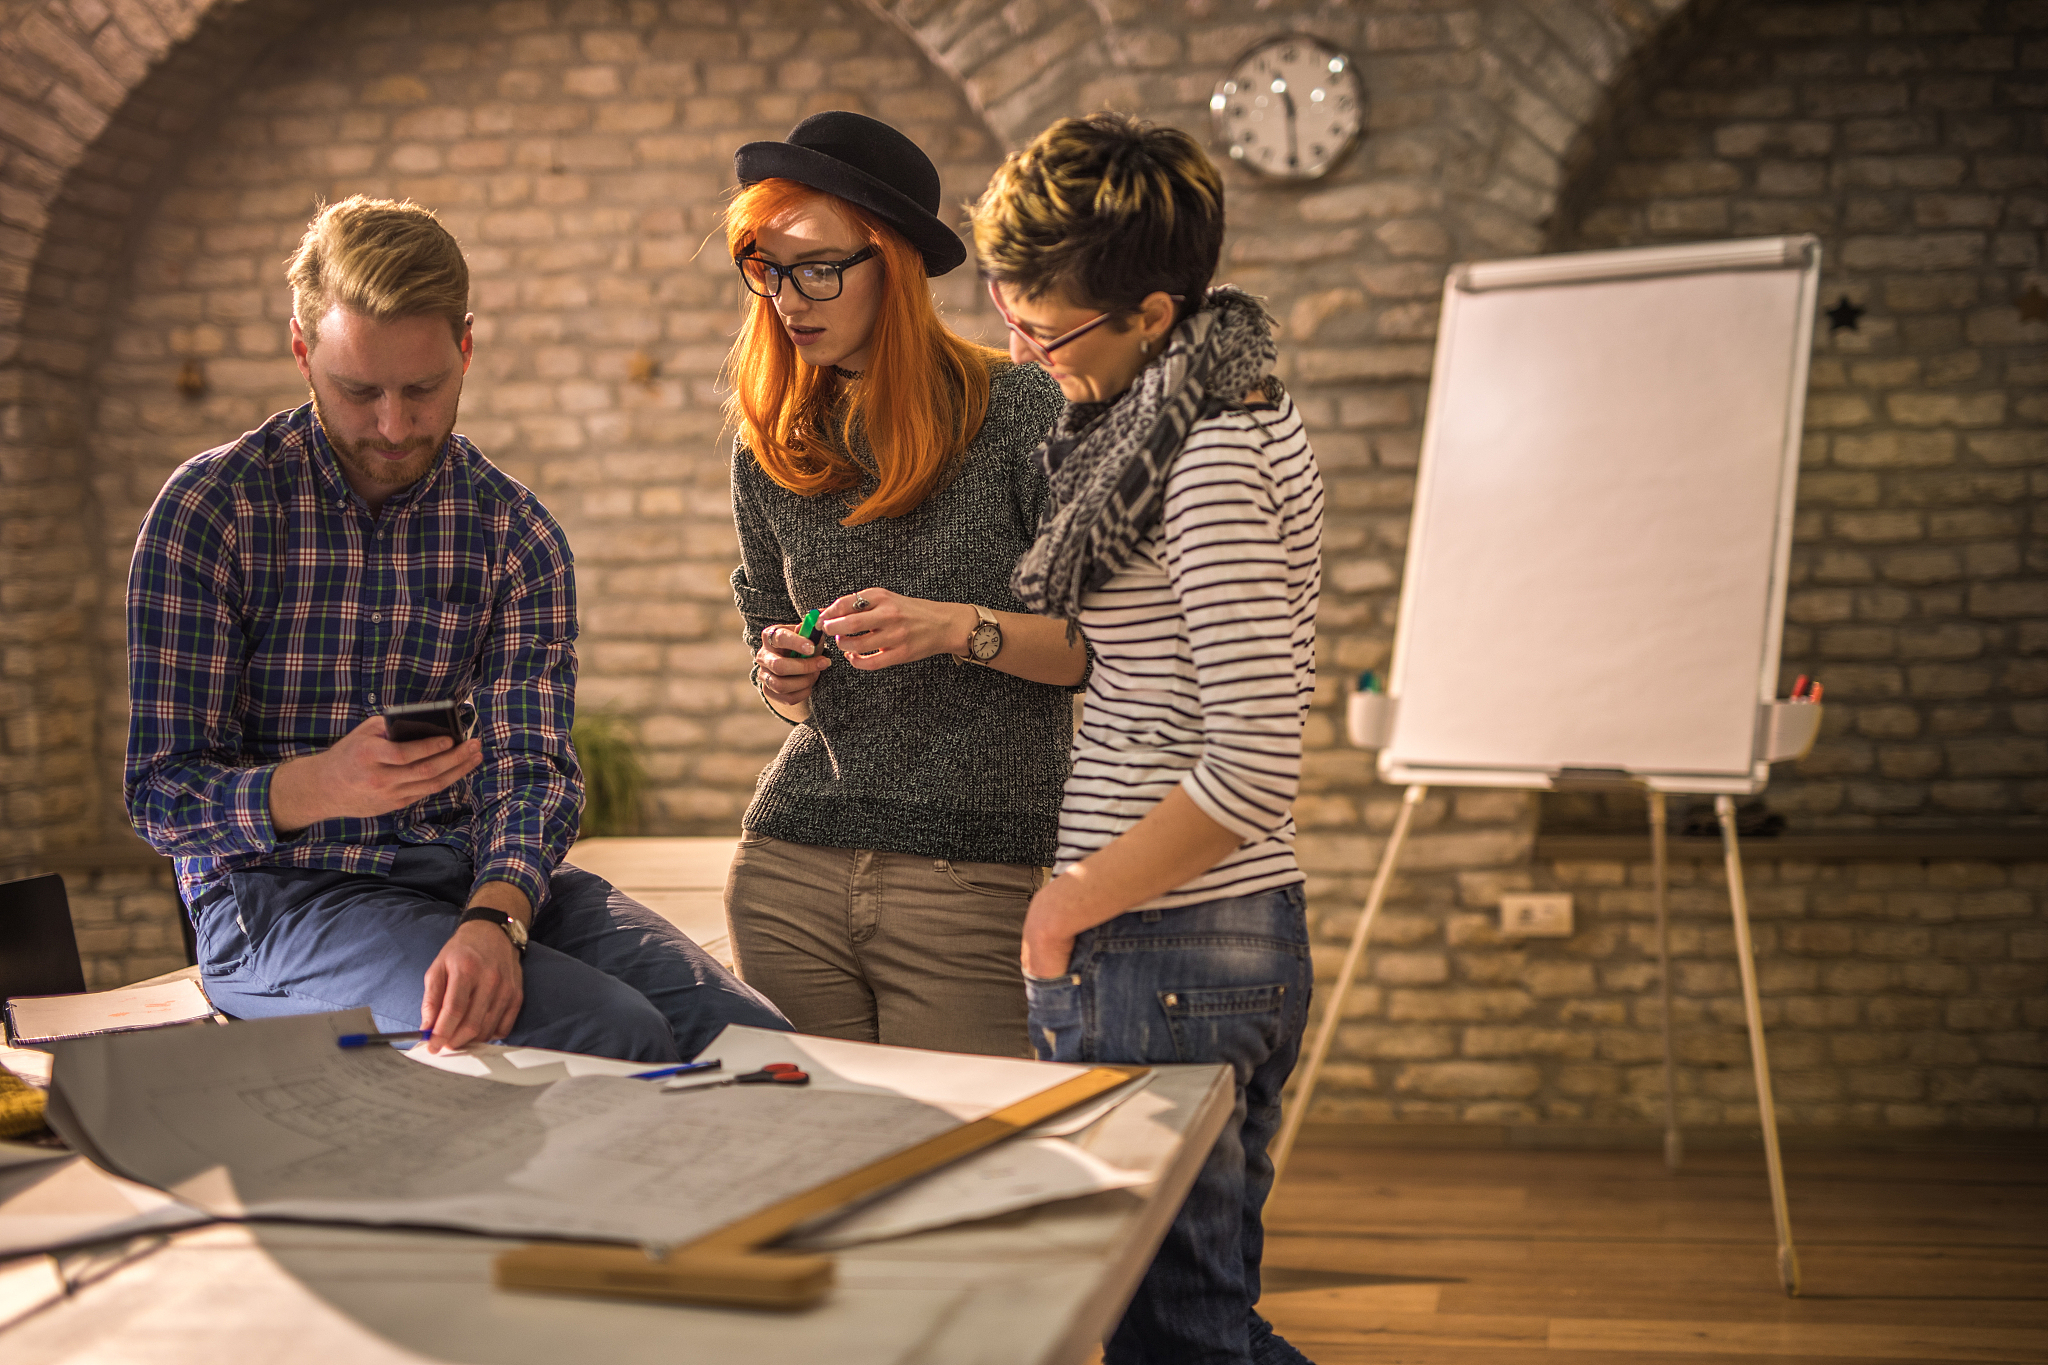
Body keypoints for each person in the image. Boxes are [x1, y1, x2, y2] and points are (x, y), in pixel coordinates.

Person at [124, 195, 787, 1065]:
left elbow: (533, 770)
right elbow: (160, 796)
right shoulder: (213, 512)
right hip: (278, 901)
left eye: (423, 388)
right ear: (300, 349)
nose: (394, 426)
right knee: (611, 1034)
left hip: (472, 874)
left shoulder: (514, 531)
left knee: (760, 1042)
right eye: (358, 390)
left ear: (466, 347)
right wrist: (320, 784)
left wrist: (497, 912)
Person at [970, 114, 1325, 1365]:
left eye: (1045, 330)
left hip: (1165, 944)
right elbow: (1142, 668)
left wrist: (1072, 903)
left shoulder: (1209, 461)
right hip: (1199, 937)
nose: (1021, 353)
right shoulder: (1182, 423)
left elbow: (1251, 764)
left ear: (1154, 314)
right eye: (1007, 314)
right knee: (1190, 1314)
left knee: (1171, 1331)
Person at [721, 111, 1084, 1056]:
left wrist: (960, 625)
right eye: (767, 268)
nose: (788, 299)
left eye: (817, 268)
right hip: (789, 866)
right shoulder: (770, 445)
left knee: (960, 1169)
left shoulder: (1018, 411)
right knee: (817, 1162)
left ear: (895, 262)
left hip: (972, 875)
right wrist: (782, 674)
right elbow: (774, 657)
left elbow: (1097, 645)